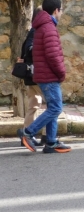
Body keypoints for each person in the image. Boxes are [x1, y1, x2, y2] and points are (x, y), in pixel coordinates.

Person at [17, 0, 71, 153]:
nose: (61, 13)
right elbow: (53, 55)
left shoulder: (42, 26)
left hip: (43, 75)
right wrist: (61, 73)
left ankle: (51, 142)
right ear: (56, 10)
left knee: (52, 107)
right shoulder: (49, 28)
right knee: (55, 108)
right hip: (49, 76)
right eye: (61, 10)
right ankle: (27, 133)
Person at [16, 9, 45, 146]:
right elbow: (30, 50)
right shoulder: (36, 31)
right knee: (51, 106)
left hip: (32, 74)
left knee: (34, 105)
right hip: (36, 73)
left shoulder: (33, 31)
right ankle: (39, 135)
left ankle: (27, 134)